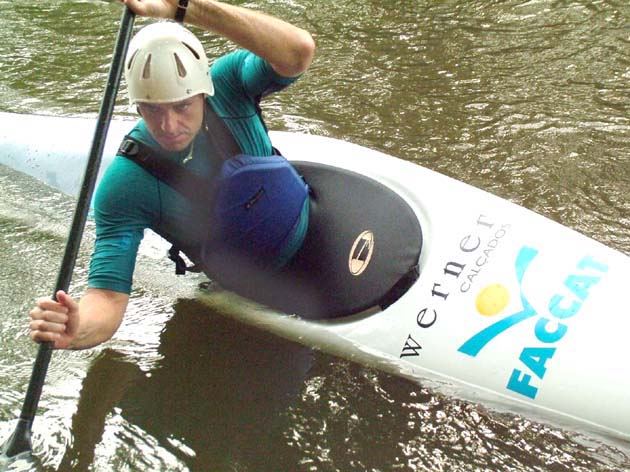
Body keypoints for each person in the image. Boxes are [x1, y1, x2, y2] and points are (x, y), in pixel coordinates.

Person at [28, 0, 316, 349]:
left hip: (313, 226)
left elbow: (297, 51)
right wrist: (77, 329)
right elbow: (107, 297)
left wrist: (184, 7)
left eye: (183, 106)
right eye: (152, 109)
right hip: (251, 287)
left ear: (203, 90)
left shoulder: (228, 84)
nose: (169, 125)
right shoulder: (125, 185)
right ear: (136, 105)